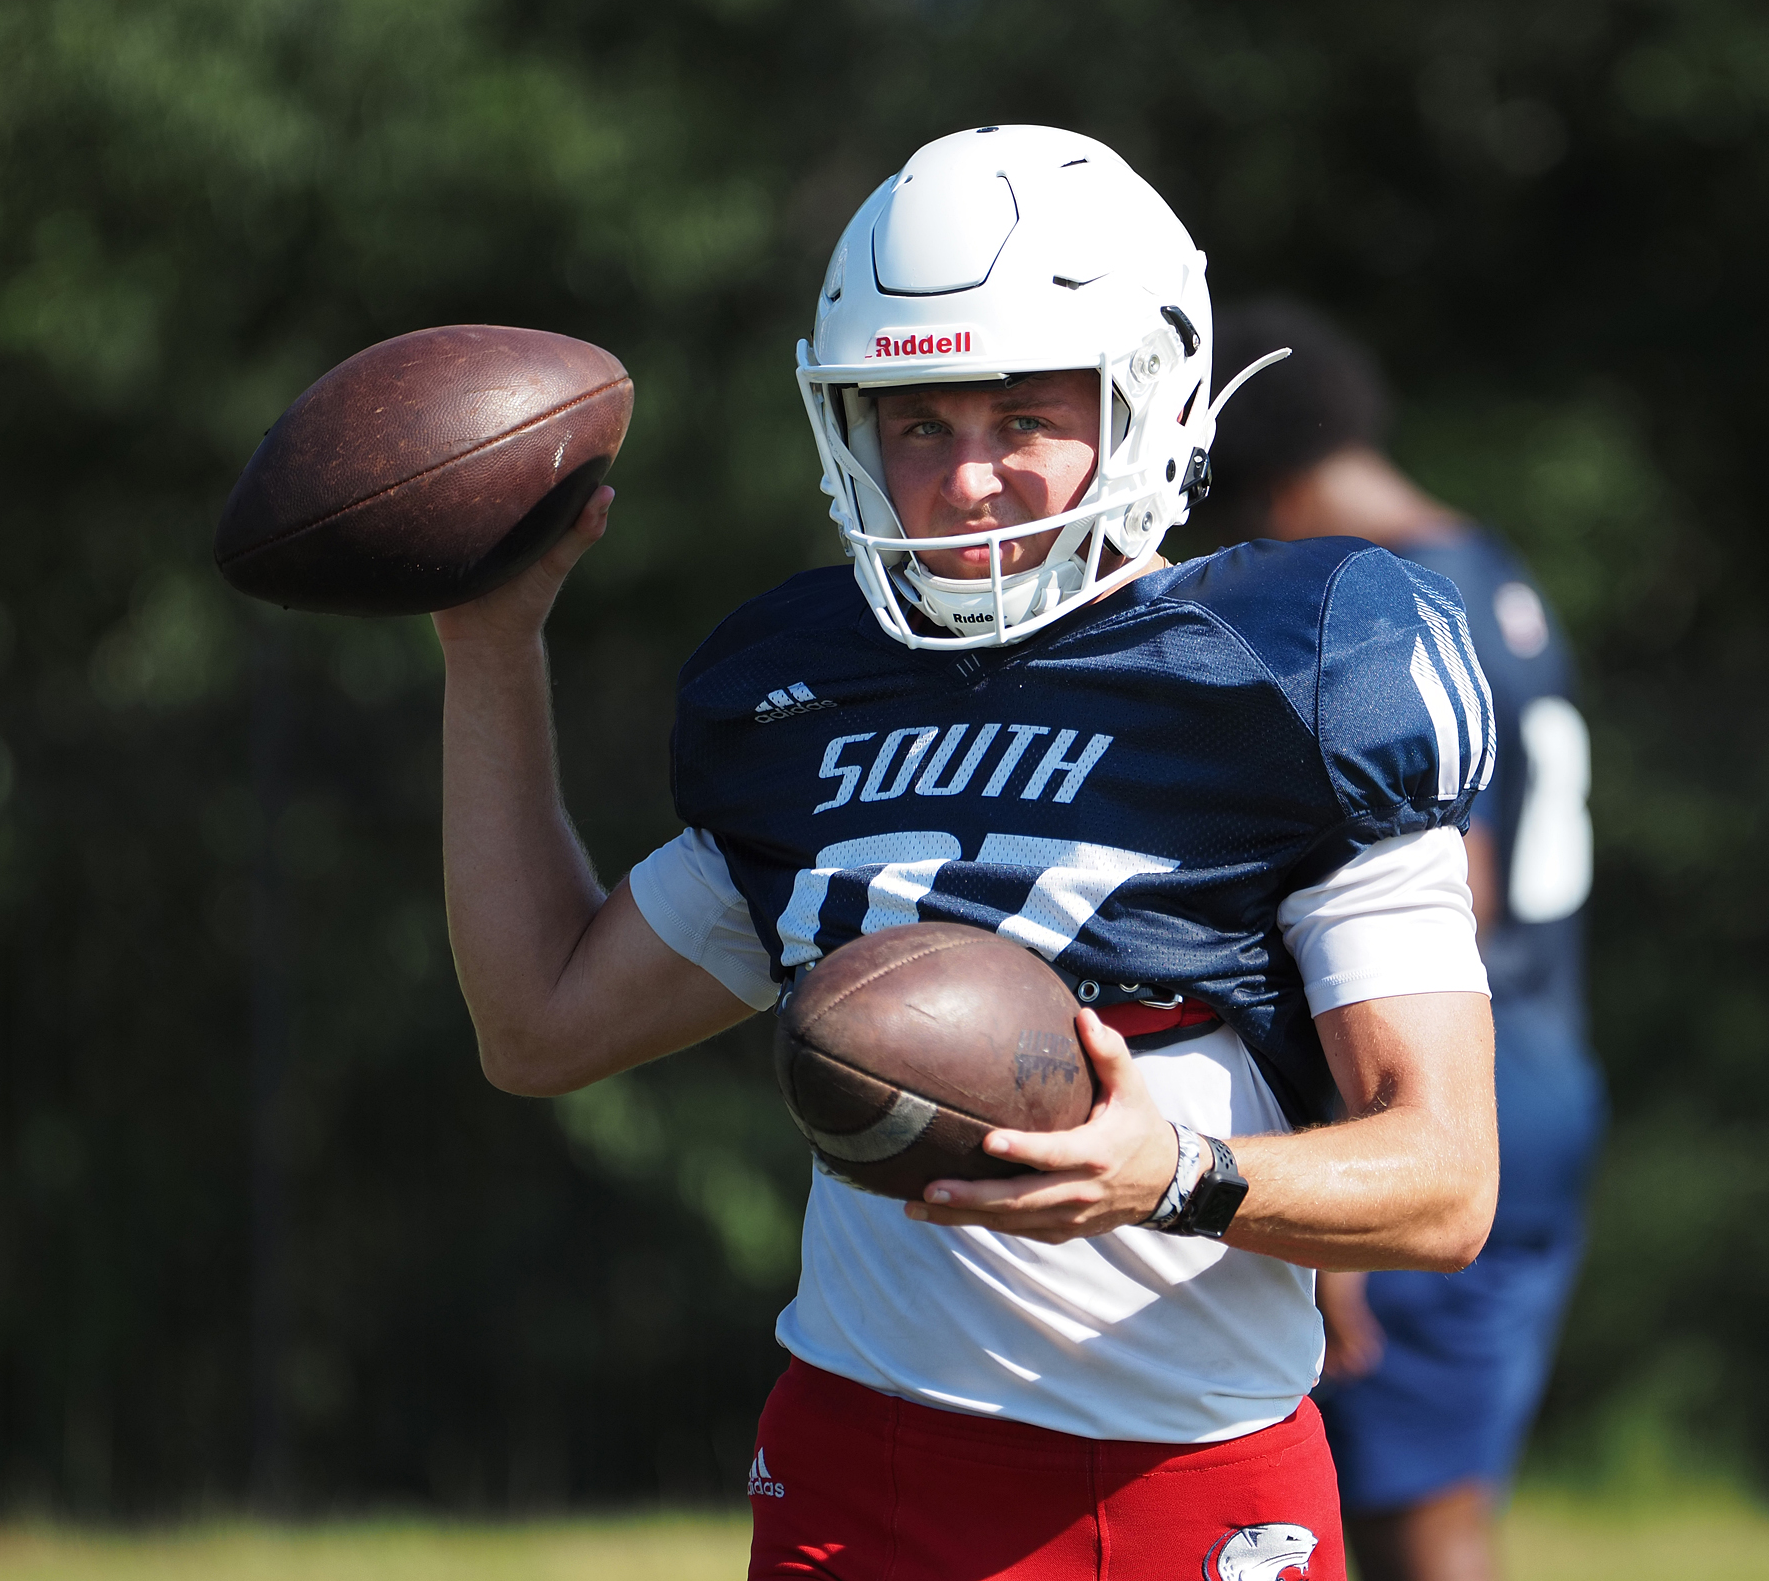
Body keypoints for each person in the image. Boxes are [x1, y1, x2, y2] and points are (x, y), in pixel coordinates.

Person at [434, 128, 1502, 1581]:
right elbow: (540, 1024)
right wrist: (490, 643)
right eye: (918, 424)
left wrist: (1172, 1172)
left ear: (1150, 402)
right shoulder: (802, 691)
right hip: (848, 1467)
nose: (968, 481)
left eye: (1021, 416)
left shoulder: (1296, 671)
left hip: (1180, 1488)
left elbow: (1446, 1184)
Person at [1204, 299, 1608, 1581]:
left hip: (1448, 1094)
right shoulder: (1489, 563)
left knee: (1410, 1527)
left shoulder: (1388, 604)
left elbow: (1453, 895)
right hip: (1547, 1072)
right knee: (1427, 1503)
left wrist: (1345, 1177)